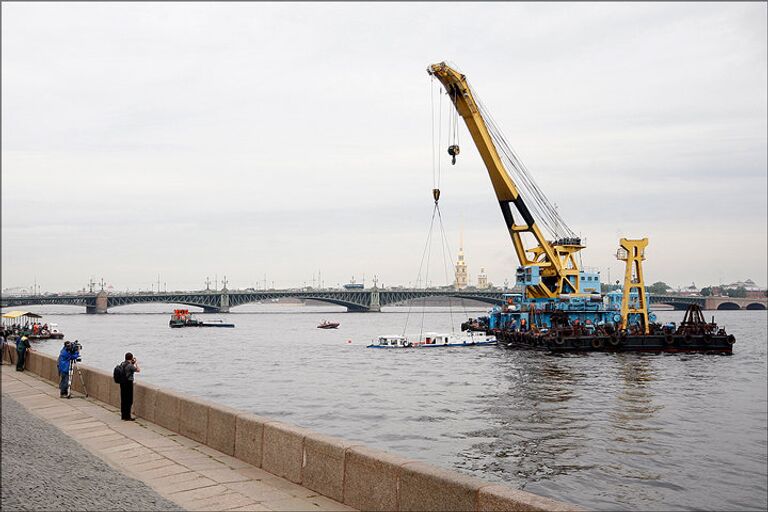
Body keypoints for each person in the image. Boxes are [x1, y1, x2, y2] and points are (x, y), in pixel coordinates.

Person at [118, 352, 140, 421]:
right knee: (129, 400)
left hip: (122, 383)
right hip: (128, 383)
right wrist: (136, 363)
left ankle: (123, 415)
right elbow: (138, 370)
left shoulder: (122, 364)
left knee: (123, 400)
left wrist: (132, 363)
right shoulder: (130, 366)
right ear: (131, 358)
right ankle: (128, 416)